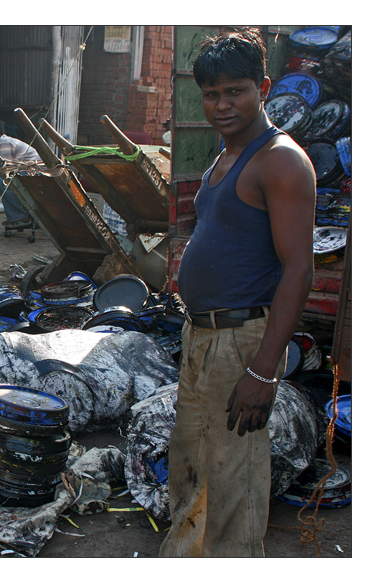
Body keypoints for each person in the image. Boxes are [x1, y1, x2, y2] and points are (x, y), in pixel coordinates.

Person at [160, 28, 316, 557]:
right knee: (191, 475)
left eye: (236, 91)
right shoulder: (226, 154)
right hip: (202, 337)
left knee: (233, 491)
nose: (222, 104)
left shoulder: (280, 161)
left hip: (240, 342)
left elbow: (299, 269)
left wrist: (262, 370)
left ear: (264, 87)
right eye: (211, 94)